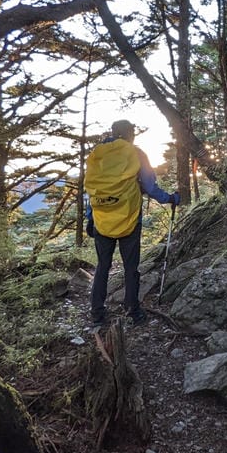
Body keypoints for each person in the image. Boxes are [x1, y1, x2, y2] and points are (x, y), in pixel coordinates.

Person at [84, 119, 179, 327]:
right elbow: (150, 187)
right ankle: (133, 311)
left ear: (113, 132)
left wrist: (90, 216)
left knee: (102, 266)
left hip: (101, 220)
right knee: (131, 267)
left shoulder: (97, 154)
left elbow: (93, 189)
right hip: (129, 218)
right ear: (130, 134)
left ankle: (97, 313)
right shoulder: (136, 153)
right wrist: (170, 198)